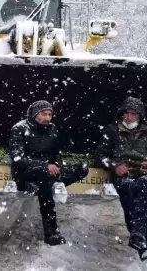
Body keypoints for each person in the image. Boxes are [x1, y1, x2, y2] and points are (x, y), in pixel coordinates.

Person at [94, 97, 147, 261]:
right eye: (126, 113)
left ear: (140, 115)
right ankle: (142, 239)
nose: (128, 117)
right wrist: (115, 166)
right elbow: (100, 155)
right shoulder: (112, 130)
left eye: (133, 114)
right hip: (123, 174)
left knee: (146, 184)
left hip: (143, 174)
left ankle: (138, 234)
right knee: (128, 188)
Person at [9, 100, 89, 246]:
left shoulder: (52, 129)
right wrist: (45, 166)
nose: (47, 118)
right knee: (44, 177)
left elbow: (55, 156)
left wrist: (56, 166)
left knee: (82, 168)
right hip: (25, 173)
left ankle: (53, 183)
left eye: (49, 114)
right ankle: (51, 232)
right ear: (35, 115)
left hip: (47, 171)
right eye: (43, 114)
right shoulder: (19, 128)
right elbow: (17, 159)